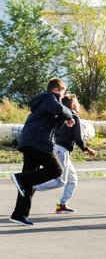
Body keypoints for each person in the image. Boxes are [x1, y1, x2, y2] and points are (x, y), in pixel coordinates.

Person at [9, 78, 75, 226]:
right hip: (38, 142)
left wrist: (66, 119)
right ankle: (19, 178)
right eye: (62, 93)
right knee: (56, 170)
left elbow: (54, 117)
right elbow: (59, 109)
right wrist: (70, 114)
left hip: (32, 140)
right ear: (57, 90)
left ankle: (19, 215)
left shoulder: (45, 102)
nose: (63, 97)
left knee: (28, 182)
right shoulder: (49, 97)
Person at [34, 94, 97, 213]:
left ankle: (62, 205)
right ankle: (32, 187)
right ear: (73, 105)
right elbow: (78, 138)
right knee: (60, 181)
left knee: (72, 180)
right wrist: (87, 149)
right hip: (61, 150)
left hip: (59, 149)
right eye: (78, 103)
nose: (79, 105)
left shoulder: (60, 116)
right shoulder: (74, 117)